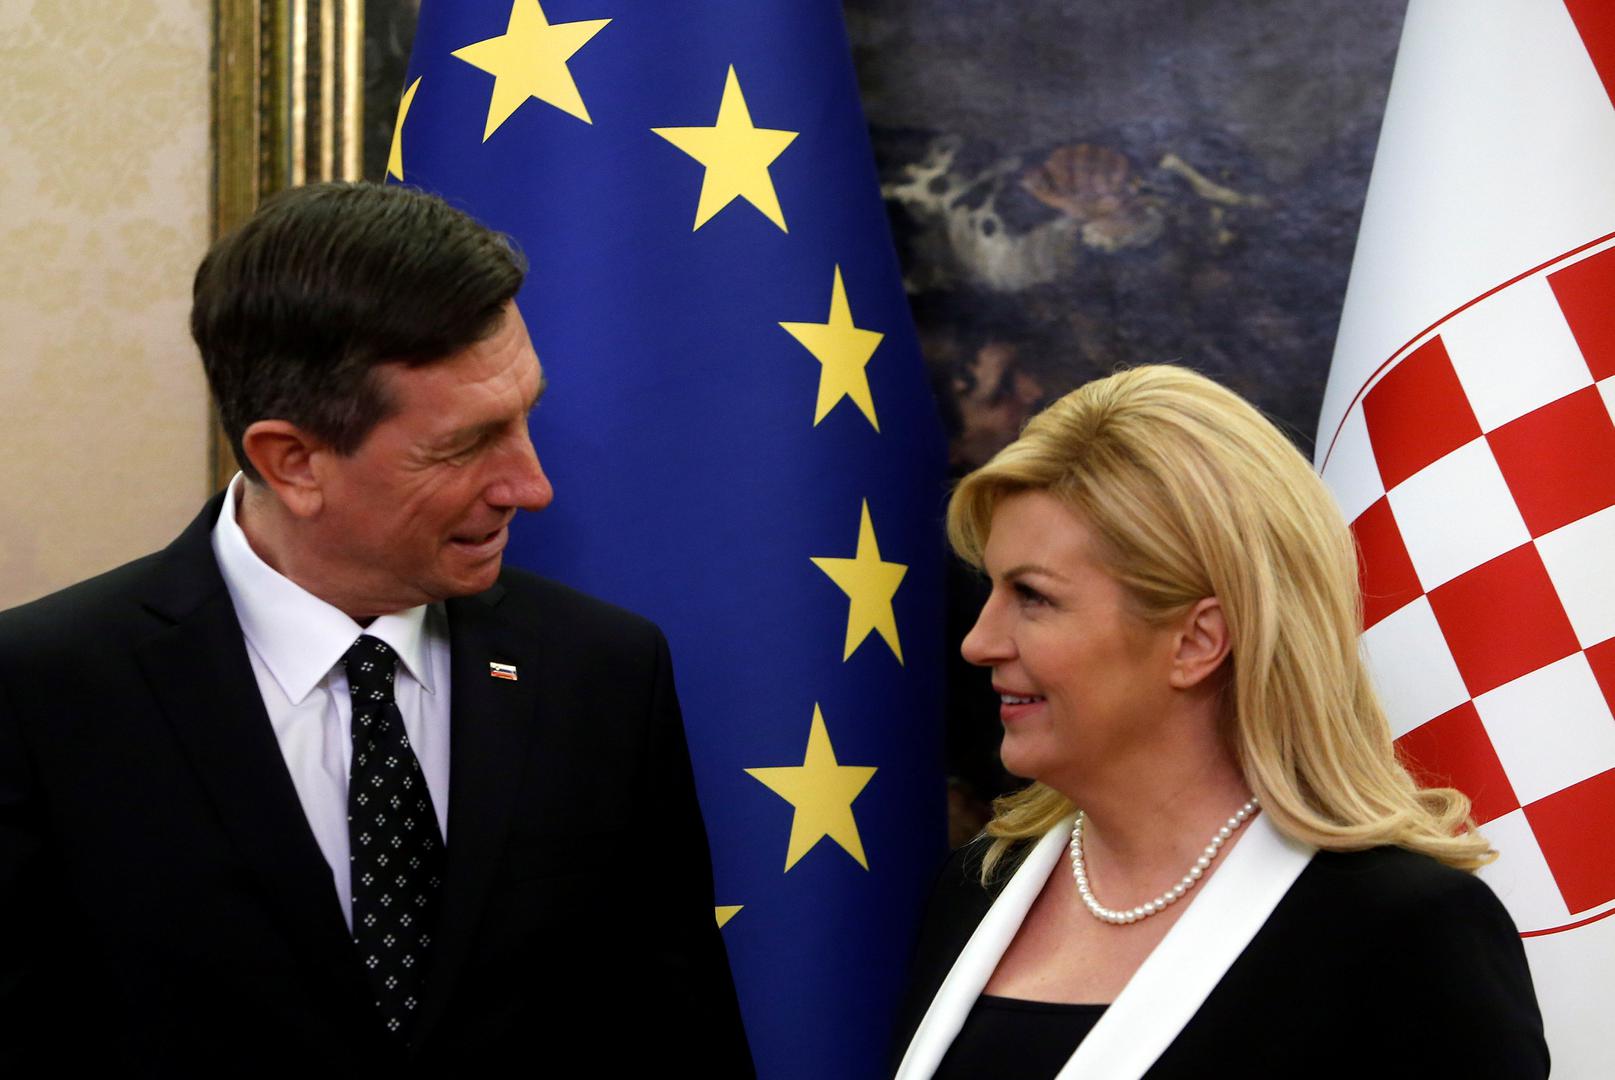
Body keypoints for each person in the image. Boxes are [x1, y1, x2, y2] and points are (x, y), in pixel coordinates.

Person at [0, 182, 753, 1075]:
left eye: (525, 418)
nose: (530, 485)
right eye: (464, 445)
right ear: (293, 461)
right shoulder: (40, 696)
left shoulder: (602, 673)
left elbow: (677, 1037)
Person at [890, 365, 1548, 1079]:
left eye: (1033, 597)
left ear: (1198, 641)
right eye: (992, 589)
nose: (978, 642)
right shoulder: (977, 888)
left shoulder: (1402, 932)